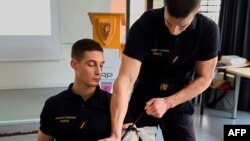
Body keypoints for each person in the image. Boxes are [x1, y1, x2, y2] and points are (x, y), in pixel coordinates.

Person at [101, 0, 220, 141]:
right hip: (144, 94)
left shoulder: (208, 29)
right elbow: (125, 80)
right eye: (168, 22)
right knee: (128, 138)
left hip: (179, 97)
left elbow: (205, 78)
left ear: (196, 12)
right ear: (164, 7)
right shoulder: (146, 24)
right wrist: (115, 134)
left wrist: (167, 102)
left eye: (183, 26)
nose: (174, 31)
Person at [37, 38, 112, 141]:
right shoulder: (53, 104)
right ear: (74, 64)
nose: (98, 71)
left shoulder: (113, 103)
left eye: (101, 65)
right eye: (91, 64)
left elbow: (132, 136)